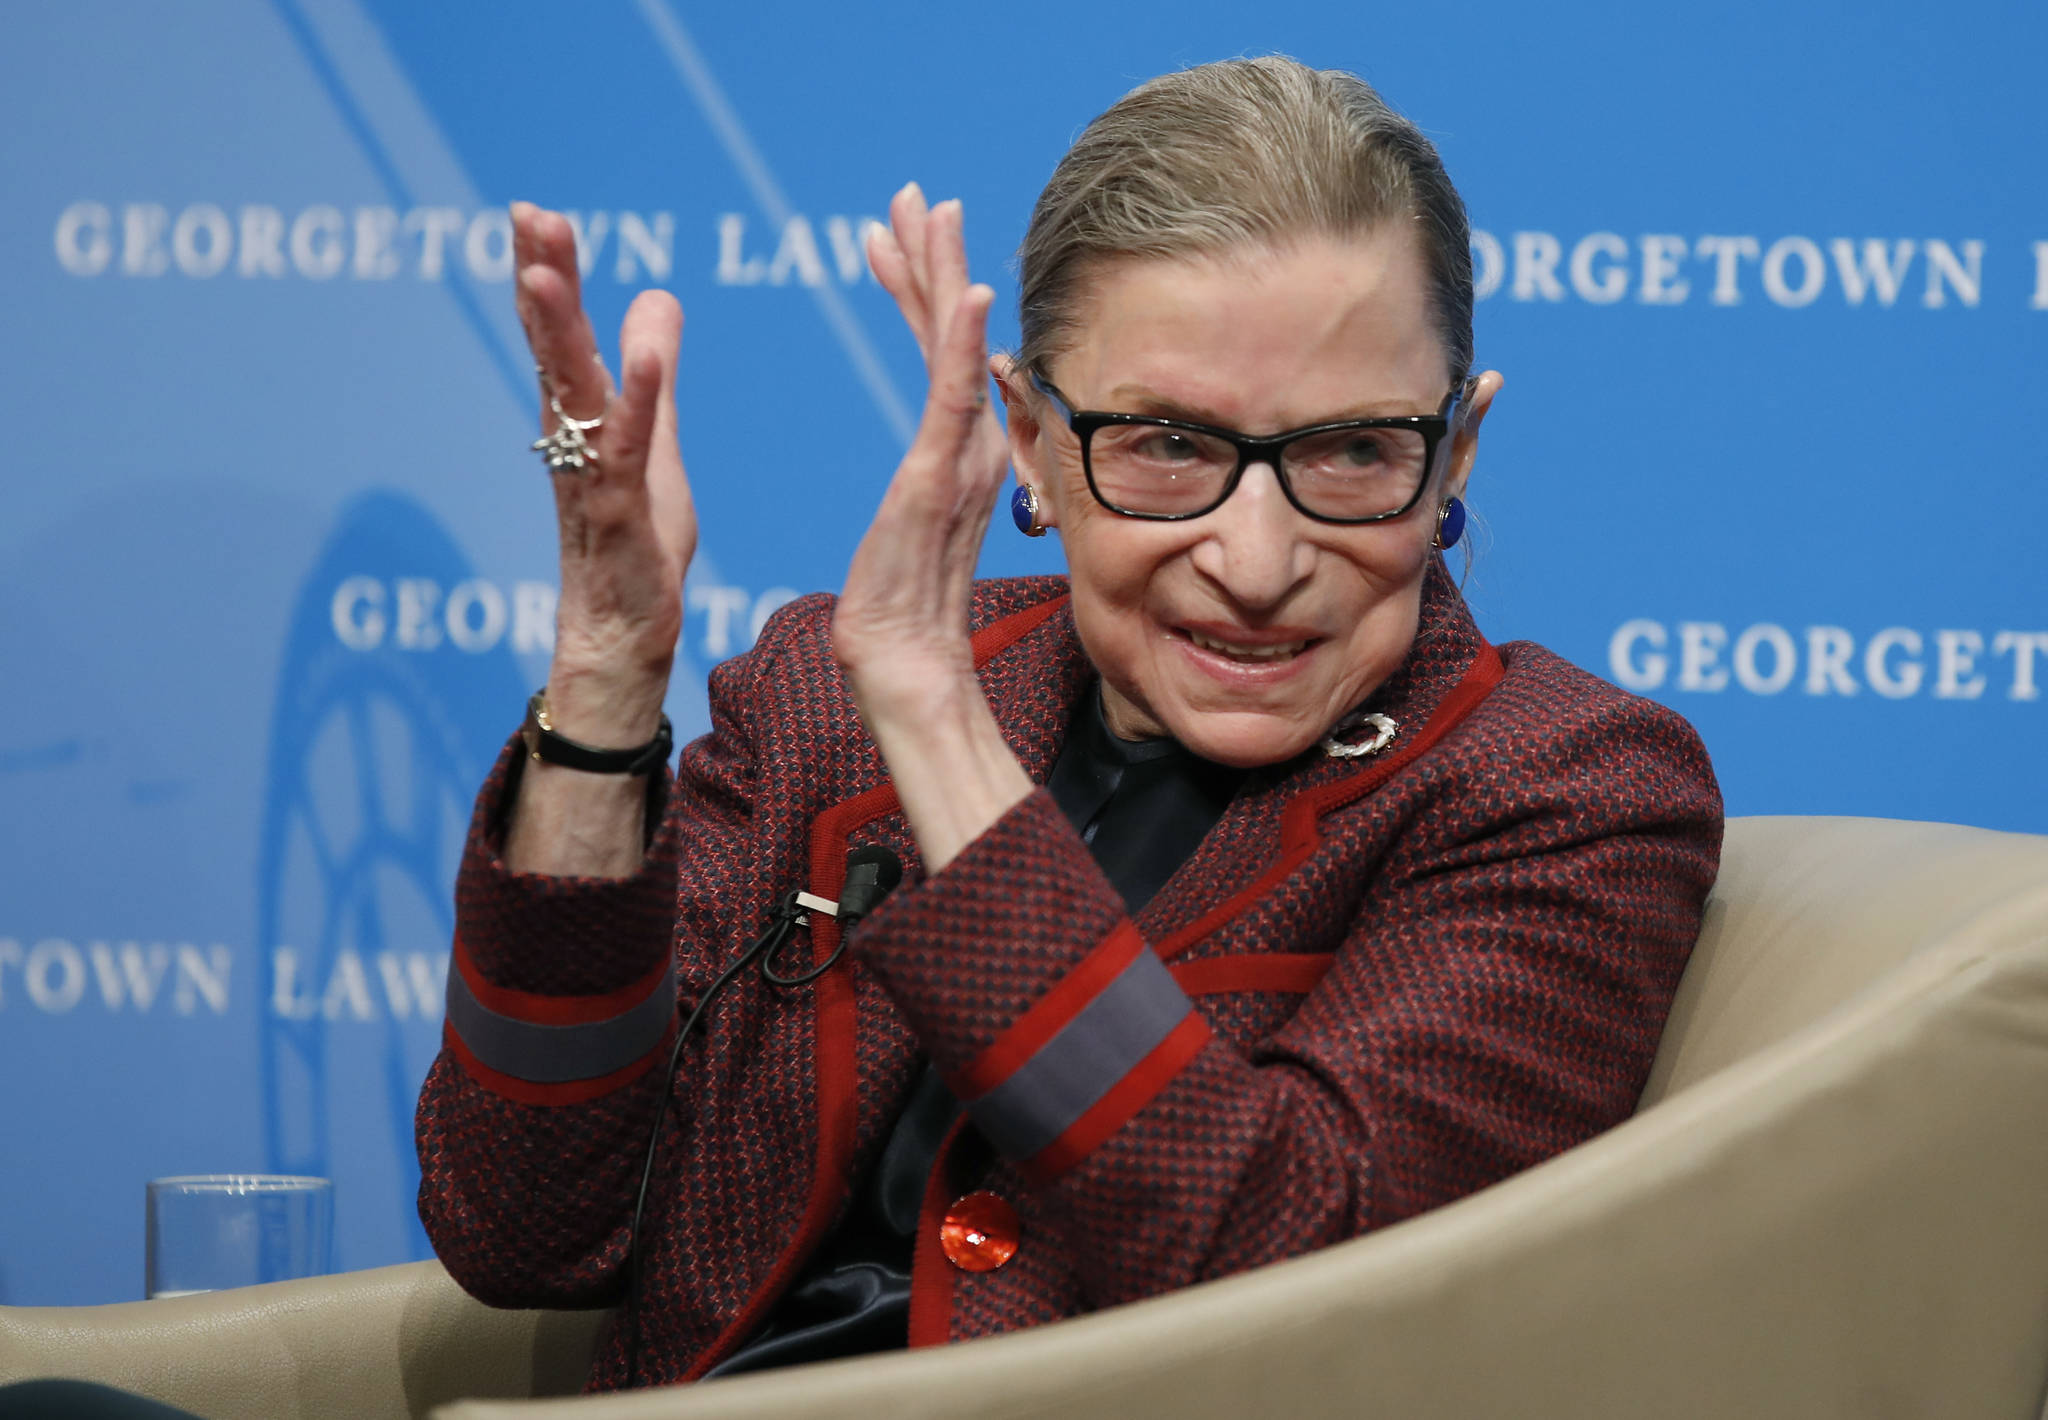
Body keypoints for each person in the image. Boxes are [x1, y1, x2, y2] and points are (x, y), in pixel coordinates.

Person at [416, 54, 1721, 1393]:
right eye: (1167, 445)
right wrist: (606, 686)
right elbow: (524, 1228)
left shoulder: (1562, 785)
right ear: (1033, 440)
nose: (1257, 559)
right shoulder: (822, 704)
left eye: (1351, 451)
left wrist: (940, 728)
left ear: (1452, 456)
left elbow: (1303, 1286)